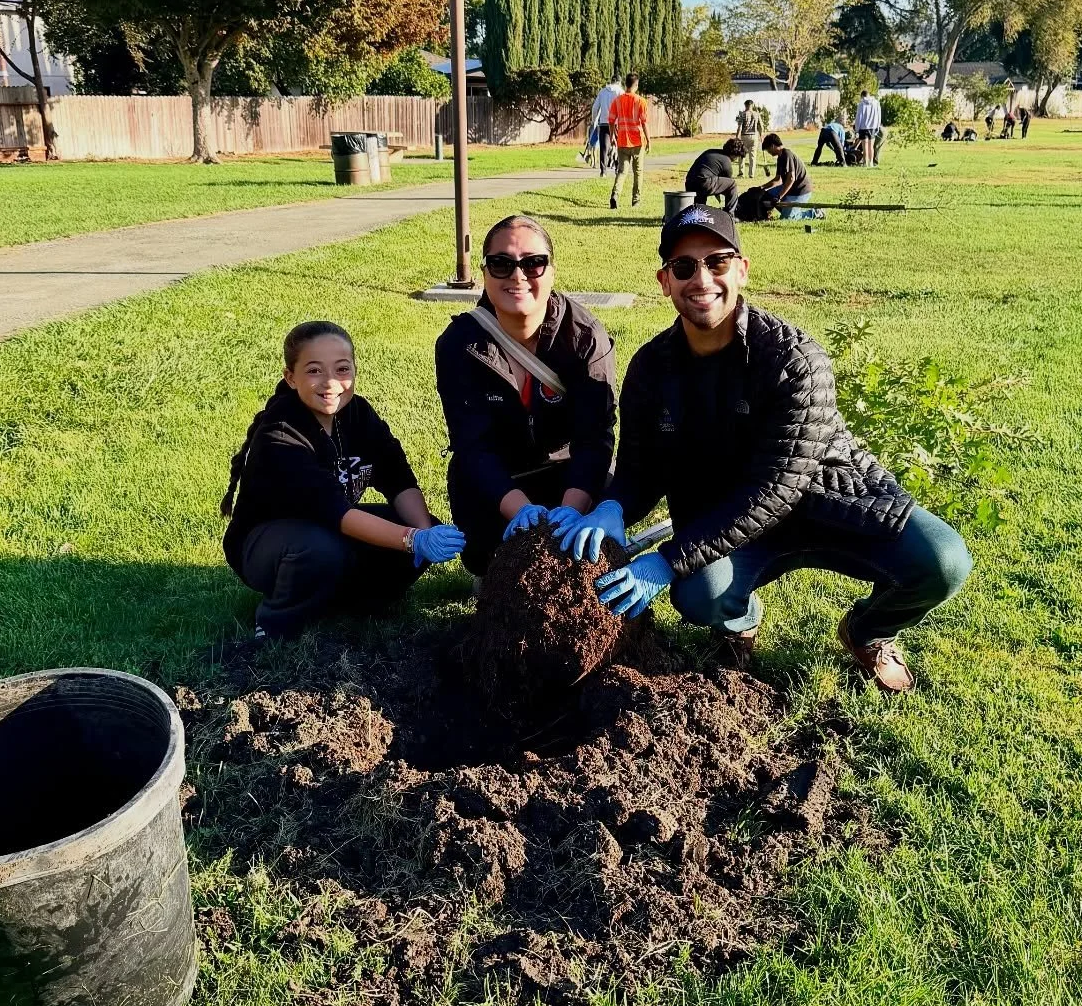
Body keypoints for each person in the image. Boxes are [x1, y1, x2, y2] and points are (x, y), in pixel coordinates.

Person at [547, 206, 972, 692]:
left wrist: (664, 560)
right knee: (700, 593)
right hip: (733, 526)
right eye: (684, 267)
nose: (701, 278)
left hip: (830, 506)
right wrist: (612, 507)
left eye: (718, 262)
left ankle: (869, 631)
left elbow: (775, 489)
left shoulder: (793, 359)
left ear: (742, 269)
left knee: (943, 560)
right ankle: (739, 618)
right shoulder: (651, 368)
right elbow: (643, 465)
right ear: (665, 281)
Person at [222, 321, 464, 640]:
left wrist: (424, 530)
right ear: (290, 377)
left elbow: (398, 479)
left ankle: (353, 605)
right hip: (267, 545)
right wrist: (412, 540)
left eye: (342, 369)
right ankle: (275, 625)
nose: (331, 383)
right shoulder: (281, 436)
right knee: (323, 549)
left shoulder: (359, 414)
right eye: (314, 371)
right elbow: (335, 512)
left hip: (328, 530)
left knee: (413, 527)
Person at [435, 214, 617, 575]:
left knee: (580, 562)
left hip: (568, 471)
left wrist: (570, 510)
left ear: (551, 270)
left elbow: (594, 438)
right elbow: (472, 445)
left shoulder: (585, 338)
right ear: (485, 273)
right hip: (499, 478)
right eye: (501, 264)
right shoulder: (458, 344)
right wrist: (519, 509)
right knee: (491, 566)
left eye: (533, 263)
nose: (518, 276)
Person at [608, 72, 650, 209]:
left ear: (626, 84)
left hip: (622, 141)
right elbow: (644, 123)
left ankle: (615, 194)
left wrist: (612, 136)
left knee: (622, 171)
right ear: (636, 85)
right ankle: (636, 201)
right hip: (637, 142)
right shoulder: (641, 101)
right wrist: (649, 140)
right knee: (638, 172)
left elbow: (611, 121)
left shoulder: (617, 101)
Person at [684, 139, 743, 208]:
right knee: (732, 184)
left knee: (699, 206)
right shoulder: (726, 161)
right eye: (737, 156)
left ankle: (697, 211)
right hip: (703, 183)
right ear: (734, 154)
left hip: (689, 183)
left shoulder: (711, 151)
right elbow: (728, 186)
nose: (736, 159)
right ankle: (730, 215)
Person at [591, 74, 622, 174]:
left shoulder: (602, 91)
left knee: (604, 147)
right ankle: (617, 167)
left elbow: (595, 108)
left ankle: (603, 171)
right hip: (617, 123)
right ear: (619, 82)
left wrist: (593, 120)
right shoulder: (620, 92)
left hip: (604, 122)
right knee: (618, 145)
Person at [732, 99, 763, 179]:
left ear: (745, 105)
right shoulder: (756, 114)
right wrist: (761, 135)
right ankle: (751, 174)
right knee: (753, 156)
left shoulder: (743, 114)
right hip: (754, 136)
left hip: (744, 136)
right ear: (752, 105)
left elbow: (739, 127)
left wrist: (737, 138)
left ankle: (741, 173)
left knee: (742, 155)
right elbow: (761, 126)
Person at [854, 88, 883, 165]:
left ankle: (865, 162)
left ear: (862, 96)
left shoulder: (861, 104)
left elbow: (859, 117)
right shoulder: (876, 103)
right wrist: (877, 125)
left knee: (865, 146)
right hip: (873, 126)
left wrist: (857, 129)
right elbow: (879, 115)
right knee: (871, 146)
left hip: (863, 127)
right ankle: (871, 163)